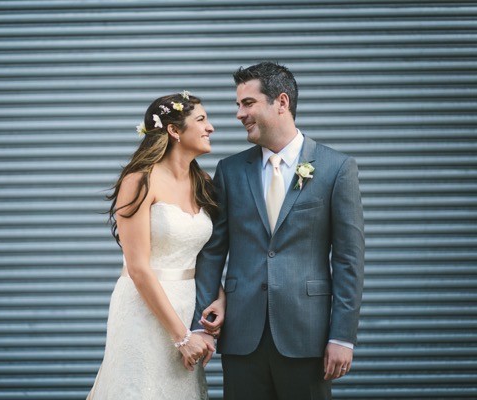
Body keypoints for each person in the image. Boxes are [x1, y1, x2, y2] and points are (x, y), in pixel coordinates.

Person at [189, 61, 365, 399]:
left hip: (307, 336)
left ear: (281, 102)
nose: (238, 114)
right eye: (238, 104)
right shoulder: (229, 170)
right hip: (241, 337)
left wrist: (342, 336)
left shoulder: (337, 168)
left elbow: (348, 259)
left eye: (248, 103)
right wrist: (202, 324)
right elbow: (212, 252)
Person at [87, 92, 225, 400]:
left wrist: (219, 298)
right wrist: (181, 337)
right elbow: (138, 268)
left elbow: (202, 255)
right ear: (174, 131)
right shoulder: (139, 181)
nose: (211, 127)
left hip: (187, 307)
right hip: (144, 309)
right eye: (201, 120)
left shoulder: (202, 180)